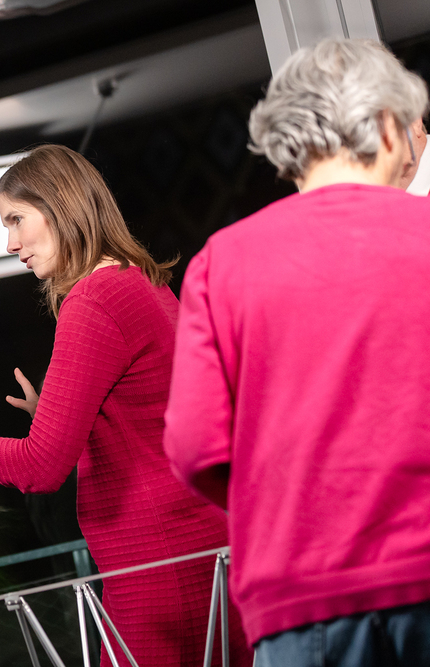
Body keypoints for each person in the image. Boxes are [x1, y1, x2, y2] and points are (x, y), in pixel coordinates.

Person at [0, 144, 252, 666]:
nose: (10, 243)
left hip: (159, 564)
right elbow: (153, 418)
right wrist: (63, 415)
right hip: (202, 547)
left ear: (59, 205)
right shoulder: (141, 282)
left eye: (16, 219)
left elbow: (39, 468)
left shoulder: (92, 301)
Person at [163, 38, 430, 667]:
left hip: (299, 600)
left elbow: (195, 446)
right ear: (387, 126)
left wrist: (285, 503)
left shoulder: (223, 262)